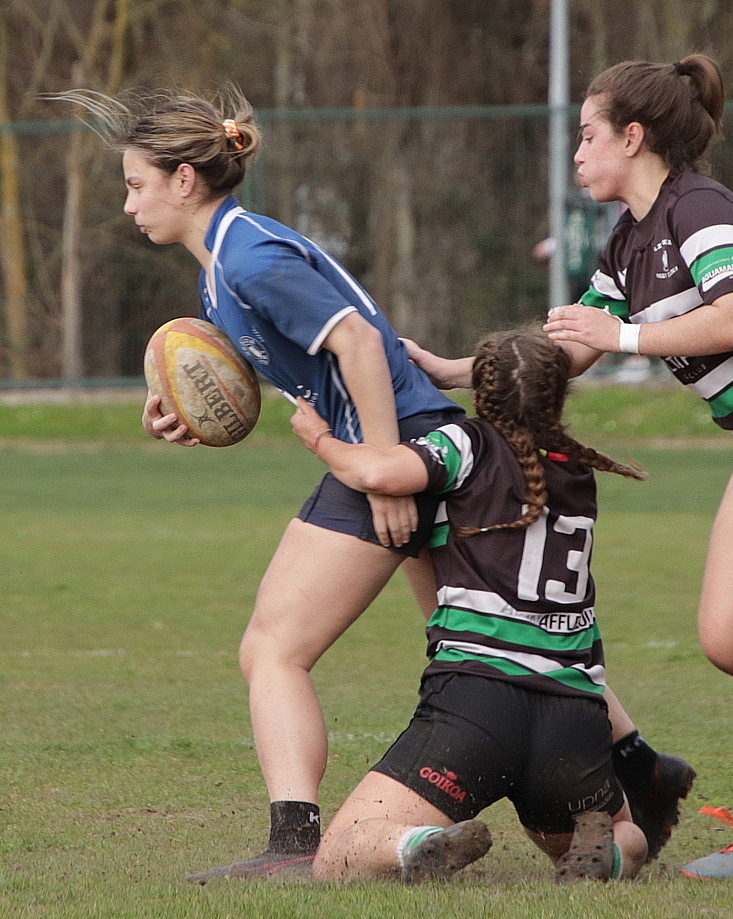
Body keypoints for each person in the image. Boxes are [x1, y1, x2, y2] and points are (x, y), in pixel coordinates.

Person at [53, 85, 692, 878]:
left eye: (135, 183)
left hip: (401, 445)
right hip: (414, 442)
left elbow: (358, 341)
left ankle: (294, 843)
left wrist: (389, 473)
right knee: (477, 641)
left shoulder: (247, 254)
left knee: (273, 647)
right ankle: (637, 767)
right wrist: (186, 406)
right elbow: (276, 356)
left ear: (185, 181)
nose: (127, 204)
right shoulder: (227, 263)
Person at [411, 54, 733, 881]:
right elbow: (574, 344)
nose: (577, 154)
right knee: (729, 637)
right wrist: (447, 367)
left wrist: (618, 336)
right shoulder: (627, 240)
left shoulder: (702, 208)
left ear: (633, 135)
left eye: (587, 136)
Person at [290, 327, 649, 883]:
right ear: (559, 395)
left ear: (480, 393)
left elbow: (377, 473)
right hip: (575, 716)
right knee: (615, 833)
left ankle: (420, 845)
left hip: (478, 705)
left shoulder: (466, 443)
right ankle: (617, 854)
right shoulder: (574, 470)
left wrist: (319, 437)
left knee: (341, 857)